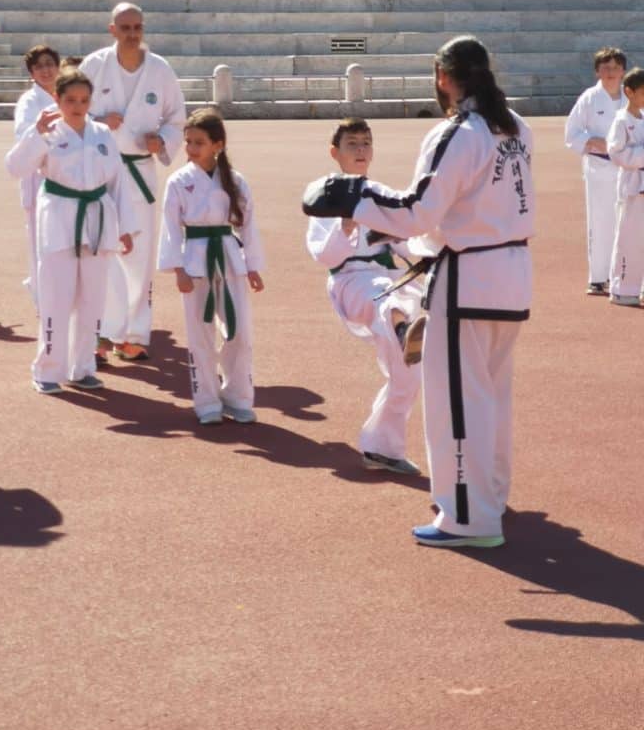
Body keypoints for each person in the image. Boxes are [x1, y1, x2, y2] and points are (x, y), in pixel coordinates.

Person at [303, 36, 535, 549]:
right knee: (492, 397)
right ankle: (489, 499)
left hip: (469, 278)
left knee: (458, 403)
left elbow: (418, 211)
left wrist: (358, 195)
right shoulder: (516, 126)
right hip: (513, 273)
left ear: (443, 77)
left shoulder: (458, 132)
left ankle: (467, 517)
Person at [5, 69, 138, 395]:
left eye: (84, 100)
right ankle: (48, 369)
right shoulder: (47, 131)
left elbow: (118, 181)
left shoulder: (102, 133)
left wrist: (126, 227)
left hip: (98, 219)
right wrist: (35, 135)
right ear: (57, 99)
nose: (77, 106)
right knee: (56, 297)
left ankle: (82, 367)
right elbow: (15, 168)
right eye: (70, 100)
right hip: (59, 219)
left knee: (92, 299)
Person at [307, 119, 426, 474]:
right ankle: (403, 329)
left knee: (408, 373)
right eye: (352, 143)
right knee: (385, 299)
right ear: (335, 152)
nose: (360, 150)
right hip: (352, 282)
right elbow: (323, 255)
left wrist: (427, 244)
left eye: (366, 143)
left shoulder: (381, 193)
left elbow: (408, 243)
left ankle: (381, 448)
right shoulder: (324, 194)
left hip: (392, 277)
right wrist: (345, 225)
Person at [80, 2, 186, 362]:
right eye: (125, 28)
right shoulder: (94, 65)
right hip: (101, 170)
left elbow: (176, 117)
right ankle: (98, 333)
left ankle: (134, 334)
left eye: (137, 27)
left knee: (138, 255)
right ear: (112, 29)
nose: (132, 34)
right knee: (101, 251)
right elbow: (72, 111)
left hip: (140, 171)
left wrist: (163, 140)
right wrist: (98, 123)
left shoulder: (160, 69)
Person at [158, 108, 264, 425]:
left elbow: (248, 225)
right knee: (199, 334)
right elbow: (170, 228)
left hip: (229, 256)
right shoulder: (178, 181)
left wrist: (253, 267)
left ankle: (237, 396)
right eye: (188, 141)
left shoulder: (235, 181)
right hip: (194, 259)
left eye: (198, 142)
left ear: (217, 145)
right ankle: (206, 400)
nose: (190, 148)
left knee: (239, 331)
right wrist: (178, 269)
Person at [565, 47, 626, 296]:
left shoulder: (632, 97)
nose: (611, 72)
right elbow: (572, 133)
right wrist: (593, 141)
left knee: (629, 223)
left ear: (623, 72)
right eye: (605, 67)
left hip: (628, 169)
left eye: (615, 67)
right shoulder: (589, 98)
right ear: (597, 71)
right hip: (599, 167)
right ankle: (599, 277)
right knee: (600, 222)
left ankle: (626, 276)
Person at [13, 45, 61, 306]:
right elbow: (24, 135)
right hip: (38, 179)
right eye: (39, 66)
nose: (46, 70)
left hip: (66, 178)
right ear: (32, 73)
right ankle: (43, 301)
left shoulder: (68, 95)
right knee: (40, 244)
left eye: (49, 64)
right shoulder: (29, 102)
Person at [606, 67, 644, 307]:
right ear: (629, 92)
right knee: (629, 238)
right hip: (632, 187)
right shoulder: (621, 120)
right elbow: (616, 153)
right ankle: (623, 289)